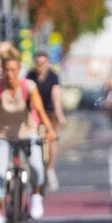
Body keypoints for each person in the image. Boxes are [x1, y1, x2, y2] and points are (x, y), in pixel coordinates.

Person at [0, 46, 56, 223]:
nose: (10, 74)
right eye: (6, 70)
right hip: (3, 136)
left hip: (28, 133)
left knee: (36, 165)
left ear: (19, 70)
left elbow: (41, 111)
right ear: (2, 70)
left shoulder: (29, 87)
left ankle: (36, 195)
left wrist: (49, 130)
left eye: (13, 70)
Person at [27, 51, 66, 191]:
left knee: (51, 139)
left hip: (49, 112)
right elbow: (27, 95)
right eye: (38, 63)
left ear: (48, 63)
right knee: (31, 139)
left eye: (43, 63)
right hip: (35, 113)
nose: (40, 66)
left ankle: (50, 170)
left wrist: (59, 114)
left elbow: (56, 95)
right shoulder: (30, 76)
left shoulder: (53, 77)